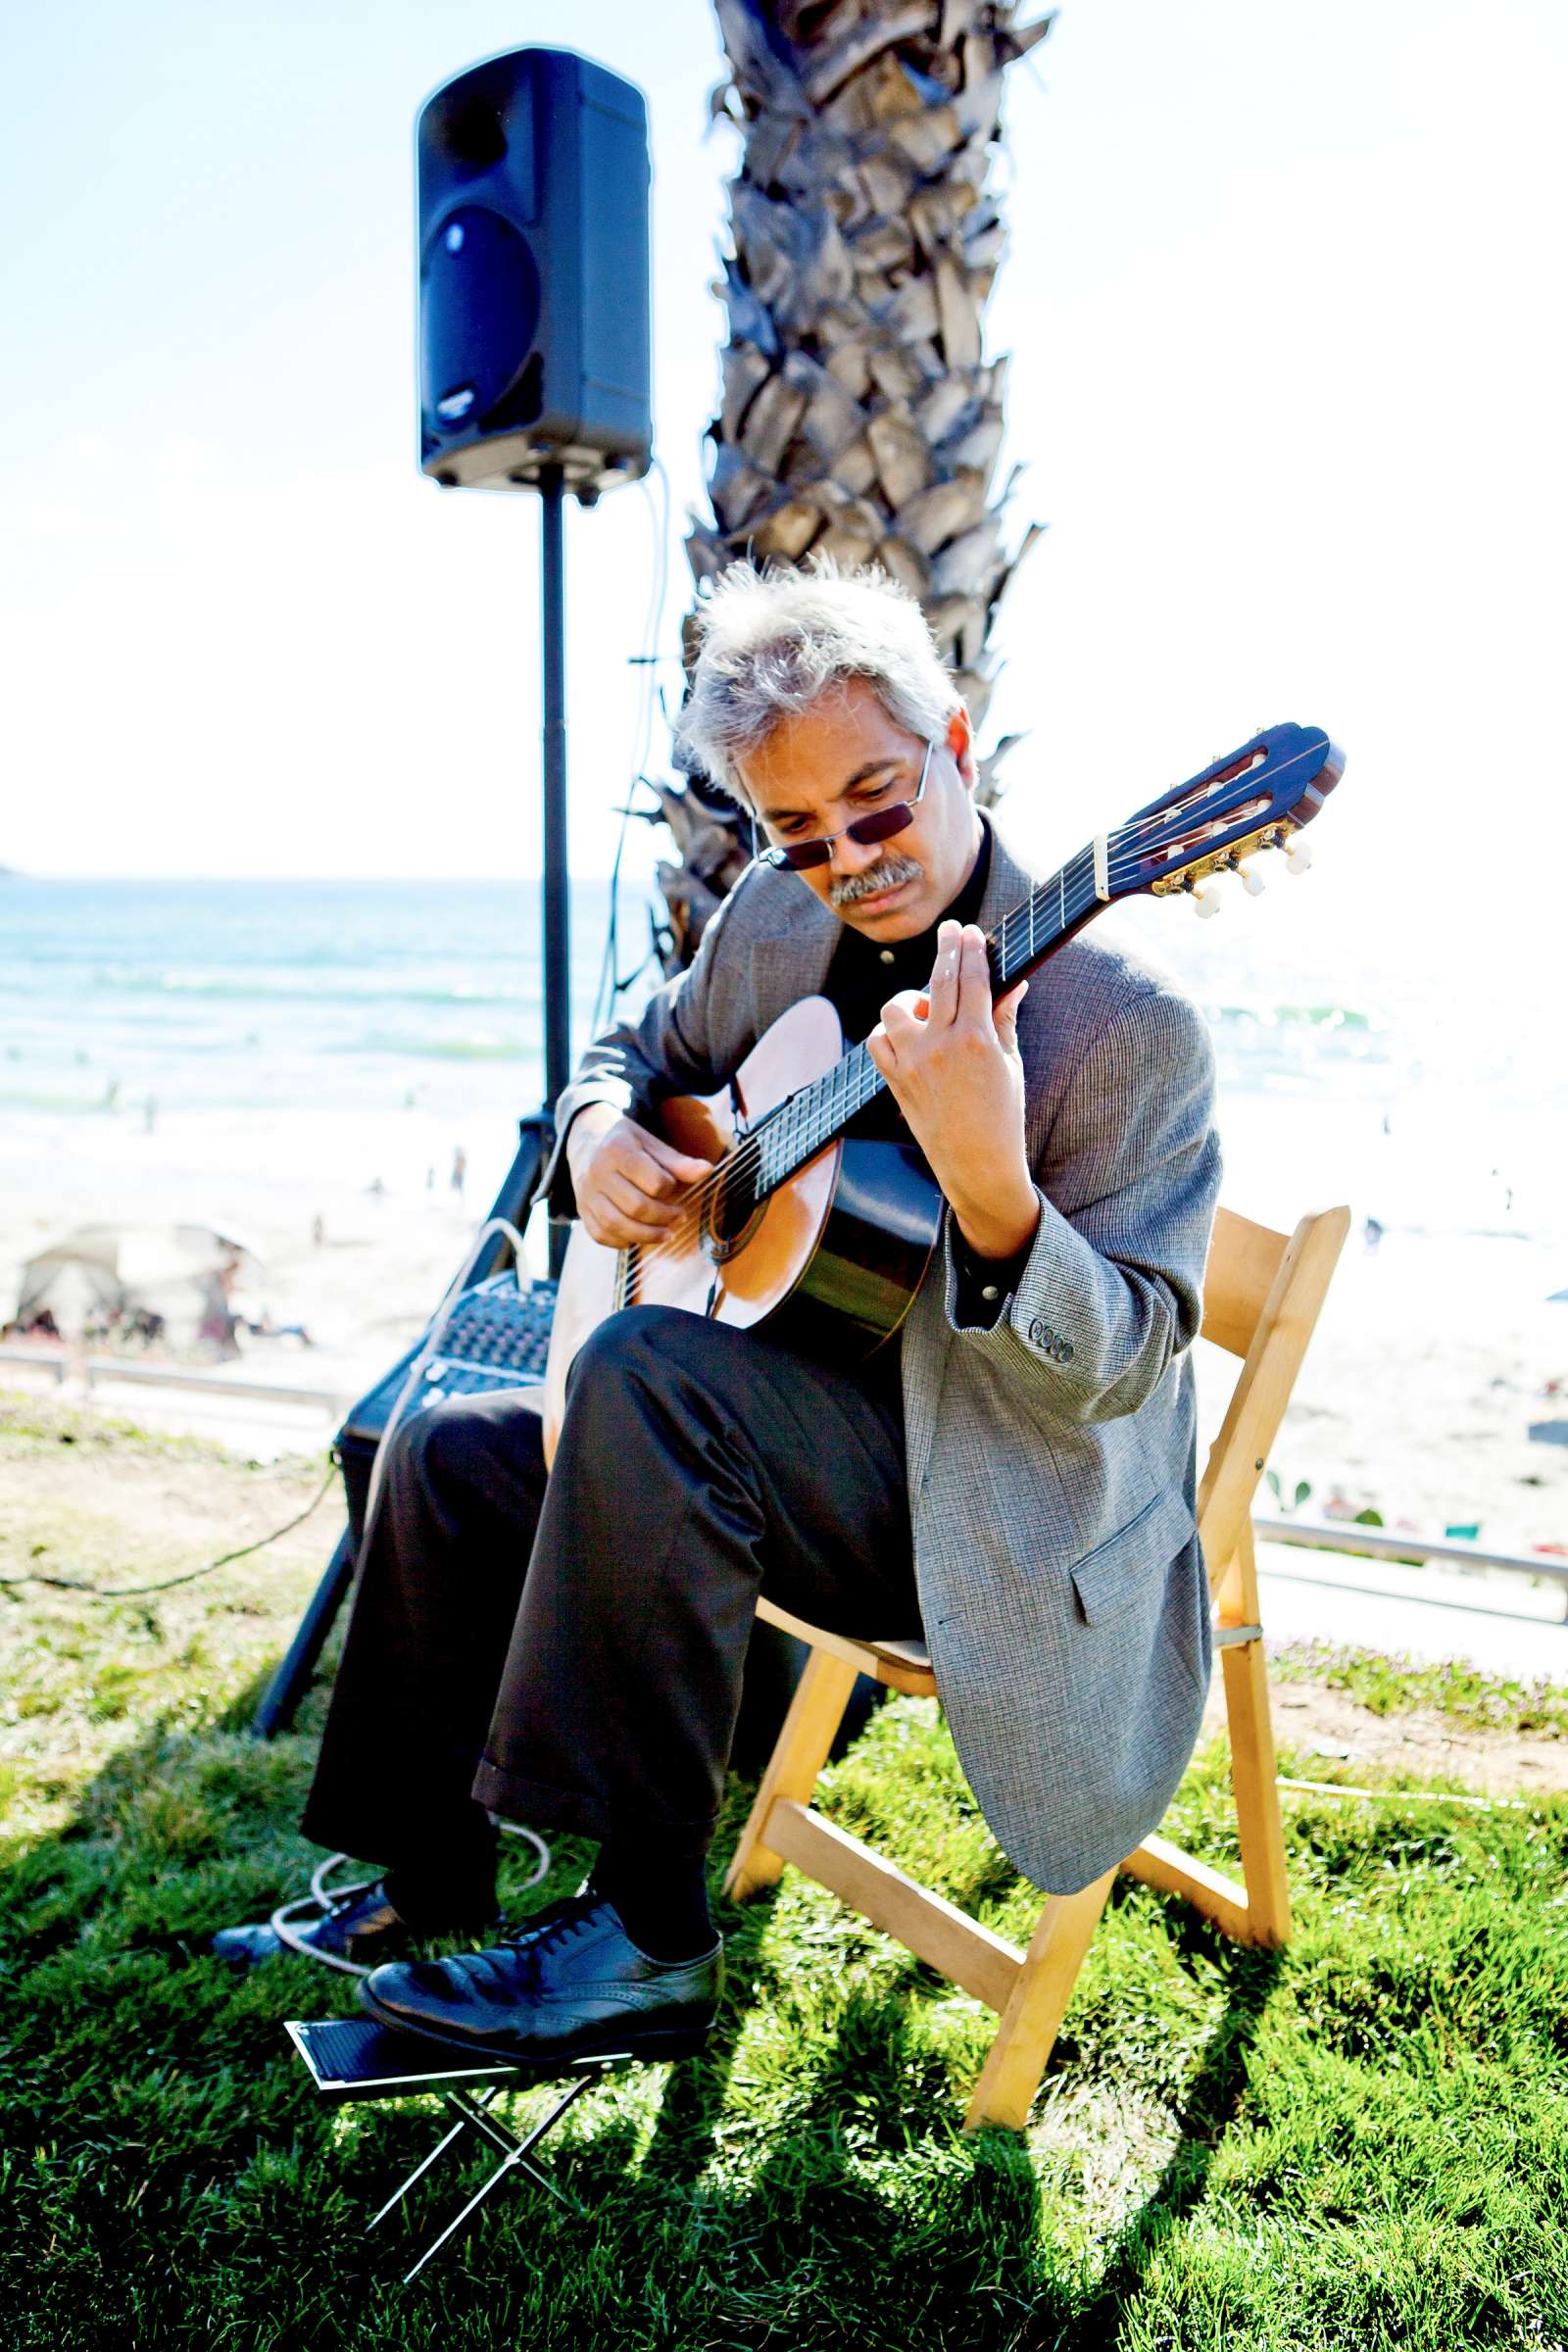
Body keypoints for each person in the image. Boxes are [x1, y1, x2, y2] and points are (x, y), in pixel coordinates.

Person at [213, 560, 1221, 2080]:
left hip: (989, 1490)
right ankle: (424, 1878)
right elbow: (635, 1045)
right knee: (451, 1449)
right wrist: (603, 1124)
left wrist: (1000, 1199)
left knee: (644, 1378)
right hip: (764, 1414)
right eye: (801, 833)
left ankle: (645, 1939)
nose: (854, 861)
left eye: (878, 801)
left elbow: (1133, 1361)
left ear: (955, 748)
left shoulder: (1121, 1020)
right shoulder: (768, 926)